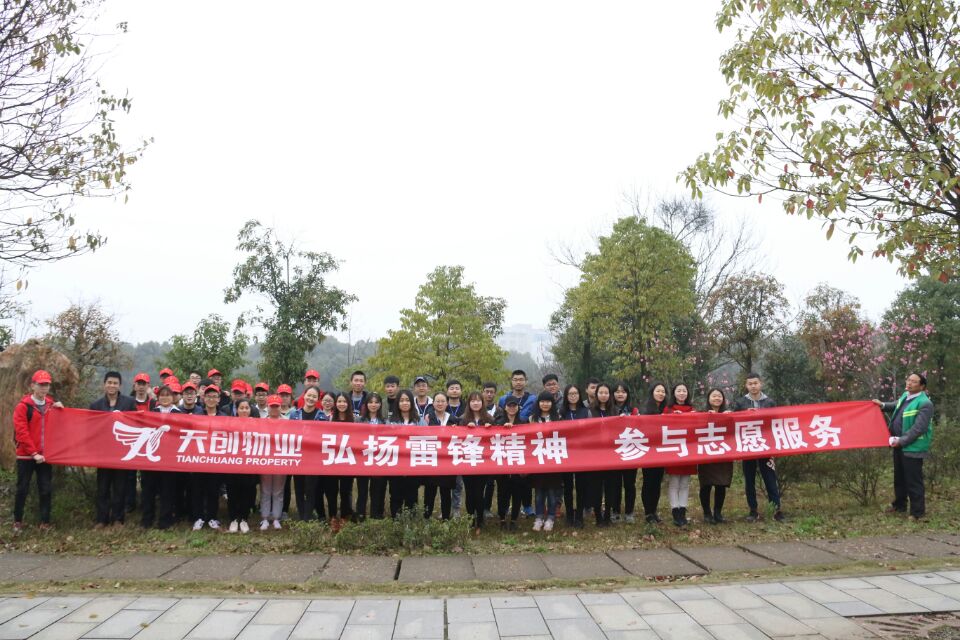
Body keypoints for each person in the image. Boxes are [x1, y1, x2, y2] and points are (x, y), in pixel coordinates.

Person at [873, 372, 934, 520]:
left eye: (914, 381)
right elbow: (897, 405)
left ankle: (917, 513)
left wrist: (901, 440)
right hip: (898, 445)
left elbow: (919, 429)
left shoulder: (925, 403)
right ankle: (899, 506)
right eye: (908, 380)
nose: (909, 383)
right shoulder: (906, 396)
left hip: (912, 447)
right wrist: (883, 405)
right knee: (899, 478)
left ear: (922, 386)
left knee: (913, 480)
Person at [13, 370, 63, 532]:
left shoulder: (51, 405)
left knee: (46, 489)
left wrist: (61, 410)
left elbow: (60, 426)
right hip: (26, 456)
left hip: (45, 456)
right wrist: (34, 453)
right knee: (22, 489)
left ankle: (45, 522)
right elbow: (21, 432)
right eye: (41, 385)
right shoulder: (23, 407)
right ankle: (17, 521)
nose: (44, 388)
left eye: (46, 385)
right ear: (32, 386)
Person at [732, 373, 783, 522]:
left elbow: (775, 421)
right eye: (750, 384)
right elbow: (733, 421)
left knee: (770, 478)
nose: (753, 386)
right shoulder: (740, 402)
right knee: (749, 479)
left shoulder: (770, 402)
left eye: (755, 383)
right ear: (746, 386)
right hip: (747, 445)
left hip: (766, 445)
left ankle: (776, 510)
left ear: (761, 384)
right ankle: (753, 510)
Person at [90, 371, 137, 529]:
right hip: (103, 453)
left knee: (120, 487)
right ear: (104, 384)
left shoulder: (129, 403)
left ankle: (118, 519)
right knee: (102, 487)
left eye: (115, 383)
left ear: (120, 386)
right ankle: (101, 519)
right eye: (109, 382)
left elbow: (136, 423)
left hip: (121, 452)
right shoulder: (96, 405)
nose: (112, 385)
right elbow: (90, 428)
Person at [141, 384, 182, 530]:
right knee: (149, 490)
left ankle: (165, 521)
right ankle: (147, 520)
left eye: (168, 395)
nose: (165, 398)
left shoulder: (179, 414)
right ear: (158, 398)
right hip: (152, 456)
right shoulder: (152, 413)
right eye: (162, 395)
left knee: (167, 490)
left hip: (170, 457)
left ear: (173, 397)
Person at [192, 385, 227, 530]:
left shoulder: (224, 417)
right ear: (203, 398)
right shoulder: (196, 415)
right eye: (208, 396)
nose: (211, 399)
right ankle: (199, 517)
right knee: (198, 490)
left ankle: (212, 517)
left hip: (216, 459)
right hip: (199, 458)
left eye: (214, 397)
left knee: (213, 490)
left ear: (218, 399)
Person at [289, 386, 326, 521]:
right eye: (309, 395)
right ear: (304, 396)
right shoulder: (294, 414)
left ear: (318, 399)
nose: (311, 398)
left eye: (314, 396)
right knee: (298, 488)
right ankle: (301, 516)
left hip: (313, 458)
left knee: (311, 489)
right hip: (298, 456)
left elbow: (323, 437)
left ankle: (307, 518)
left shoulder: (321, 416)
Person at [699, 388, 733, 524]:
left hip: (723, 452)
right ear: (708, 398)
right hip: (706, 453)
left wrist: (730, 417)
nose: (717, 398)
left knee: (721, 484)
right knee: (705, 485)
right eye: (714, 396)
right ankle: (707, 513)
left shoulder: (728, 414)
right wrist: (706, 417)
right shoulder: (702, 414)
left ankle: (718, 513)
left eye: (719, 396)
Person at [460, 391, 494, 531]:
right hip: (467, 462)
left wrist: (490, 429)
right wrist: (463, 428)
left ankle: (480, 520)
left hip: (483, 462)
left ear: (482, 402)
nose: (475, 403)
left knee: (479, 492)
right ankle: (470, 519)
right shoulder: (462, 419)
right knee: (469, 492)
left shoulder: (489, 419)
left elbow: (496, 438)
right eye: (472, 401)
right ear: (469, 403)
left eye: (478, 400)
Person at [664, 383, 696, 526]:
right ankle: (675, 511)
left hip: (688, 450)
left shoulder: (692, 409)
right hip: (674, 450)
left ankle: (683, 510)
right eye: (679, 390)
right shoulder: (668, 409)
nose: (682, 393)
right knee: (674, 482)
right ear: (674, 393)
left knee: (684, 483)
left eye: (684, 390)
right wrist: (672, 417)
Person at [421, 392, 457, 520]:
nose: (440, 404)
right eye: (437, 401)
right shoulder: (427, 418)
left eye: (443, 401)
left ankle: (446, 518)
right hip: (432, 459)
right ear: (433, 403)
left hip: (447, 461)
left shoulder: (453, 419)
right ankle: (427, 516)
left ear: (447, 403)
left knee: (446, 491)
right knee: (429, 491)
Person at [530, 391, 562, 532]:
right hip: (538, 458)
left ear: (552, 403)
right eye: (542, 401)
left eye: (548, 401)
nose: (545, 404)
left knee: (552, 492)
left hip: (554, 458)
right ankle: (538, 517)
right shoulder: (532, 418)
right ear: (538, 403)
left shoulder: (558, 418)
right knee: (539, 492)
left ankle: (550, 518)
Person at [225, 398, 258, 533]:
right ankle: (233, 519)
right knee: (232, 492)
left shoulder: (256, 424)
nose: (244, 410)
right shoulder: (229, 423)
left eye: (246, 408)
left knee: (247, 492)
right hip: (233, 464)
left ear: (250, 410)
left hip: (249, 464)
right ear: (236, 410)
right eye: (241, 408)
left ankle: (244, 519)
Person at [494, 397, 527, 530]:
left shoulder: (524, 422)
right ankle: (502, 518)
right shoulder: (498, 422)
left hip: (518, 461)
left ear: (518, 407)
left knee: (517, 493)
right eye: (509, 405)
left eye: (514, 405)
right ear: (505, 407)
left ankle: (513, 519)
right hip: (502, 462)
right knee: (502, 493)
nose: (512, 408)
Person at [559, 384, 589, 528]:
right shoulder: (561, 412)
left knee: (581, 486)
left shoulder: (586, 411)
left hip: (582, 453)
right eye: (570, 394)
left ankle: (580, 516)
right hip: (566, 453)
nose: (573, 396)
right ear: (566, 396)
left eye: (575, 393)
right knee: (568, 486)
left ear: (579, 395)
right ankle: (570, 515)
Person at [388, 389, 421, 516]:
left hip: (413, 464)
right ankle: (396, 520)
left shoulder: (419, 421)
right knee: (395, 493)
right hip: (396, 464)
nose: (405, 403)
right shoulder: (390, 421)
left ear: (412, 402)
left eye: (407, 400)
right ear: (397, 403)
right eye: (401, 400)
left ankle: (411, 520)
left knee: (412, 494)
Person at [590, 383, 619, 526]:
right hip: (595, 454)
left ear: (610, 395)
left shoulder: (615, 410)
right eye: (601, 392)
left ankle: (607, 514)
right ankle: (598, 516)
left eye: (606, 393)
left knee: (610, 486)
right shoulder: (590, 411)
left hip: (611, 454)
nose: (603, 395)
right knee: (596, 487)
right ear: (596, 394)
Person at [610, 381, 639, 523]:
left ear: (627, 394)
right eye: (617, 391)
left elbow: (639, 427)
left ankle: (629, 512)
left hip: (630, 451)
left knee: (629, 483)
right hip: (613, 451)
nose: (620, 394)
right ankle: (615, 511)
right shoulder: (609, 409)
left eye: (623, 391)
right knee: (614, 483)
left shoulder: (634, 410)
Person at [640, 382, 668, 524]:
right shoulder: (645, 409)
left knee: (657, 482)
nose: (661, 394)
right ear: (652, 392)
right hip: (648, 451)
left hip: (661, 451)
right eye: (658, 391)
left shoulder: (666, 409)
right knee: (648, 481)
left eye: (663, 391)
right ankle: (648, 512)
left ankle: (654, 510)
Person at [327, 393, 356, 525]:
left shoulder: (355, 420)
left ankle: (345, 516)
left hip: (348, 460)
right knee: (332, 490)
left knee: (346, 490)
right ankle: (333, 516)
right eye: (339, 401)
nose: (342, 404)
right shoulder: (329, 419)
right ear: (335, 403)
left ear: (348, 403)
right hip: (332, 459)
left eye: (344, 401)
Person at [260, 395, 288, 530]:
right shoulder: (261, 422)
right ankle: (265, 518)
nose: (274, 409)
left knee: (278, 491)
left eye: (277, 406)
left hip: (280, 460)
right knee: (265, 490)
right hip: (265, 459)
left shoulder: (288, 422)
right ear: (268, 407)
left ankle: (276, 518)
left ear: (280, 407)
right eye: (272, 406)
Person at [361, 393, 389, 519]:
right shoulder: (359, 421)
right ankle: (360, 515)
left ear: (380, 404)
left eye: (376, 402)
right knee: (362, 490)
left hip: (379, 459)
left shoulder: (385, 422)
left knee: (377, 489)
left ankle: (376, 515)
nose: (373, 405)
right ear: (366, 404)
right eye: (370, 402)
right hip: (363, 459)